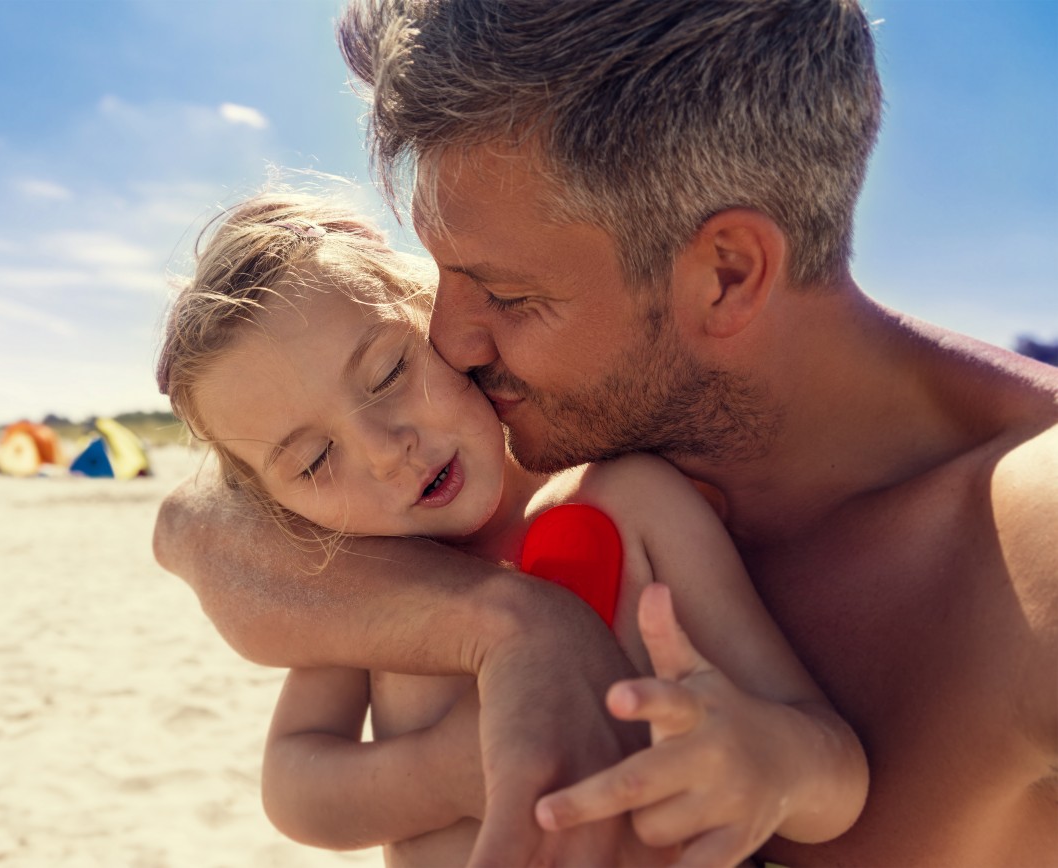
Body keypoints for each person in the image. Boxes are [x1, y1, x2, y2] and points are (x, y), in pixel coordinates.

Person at [154, 1, 1058, 865]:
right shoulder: (462, 501)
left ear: (727, 275)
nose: (452, 337)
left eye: (506, 293)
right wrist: (513, 632)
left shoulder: (1026, 536)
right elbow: (189, 528)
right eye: (442, 277)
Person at [156, 192, 868, 867]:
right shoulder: (362, 578)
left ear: (436, 318)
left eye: (387, 373)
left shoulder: (633, 505)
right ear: (280, 507)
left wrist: (766, 762)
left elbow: (833, 766)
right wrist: (445, 772)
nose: (383, 448)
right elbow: (295, 787)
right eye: (314, 461)